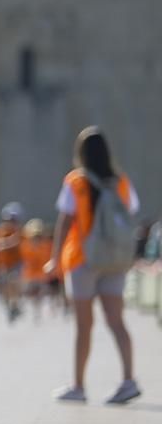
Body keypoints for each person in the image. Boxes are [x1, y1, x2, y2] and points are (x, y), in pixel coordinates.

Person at [46, 126, 141, 405]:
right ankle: (128, 380)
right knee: (117, 321)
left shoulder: (76, 181)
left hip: (83, 259)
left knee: (84, 326)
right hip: (114, 259)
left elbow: (65, 220)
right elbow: (131, 210)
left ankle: (79, 385)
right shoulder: (121, 181)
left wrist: (54, 258)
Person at [0, 202, 25, 322]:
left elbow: (16, 241)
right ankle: (9, 308)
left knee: (14, 283)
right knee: (4, 287)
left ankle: (15, 304)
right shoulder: (1, 230)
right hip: (3, 263)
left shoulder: (19, 231)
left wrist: (5, 243)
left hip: (15, 263)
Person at [18, 218, 53, 320]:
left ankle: (39, 310)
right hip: (30, 274)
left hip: (40, 274)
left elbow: (46, 259)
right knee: (31, 293)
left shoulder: (45, 246)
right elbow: (25, 259)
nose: (36, 239)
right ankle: (34, 309)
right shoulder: (26, 246)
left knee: (40, 293)